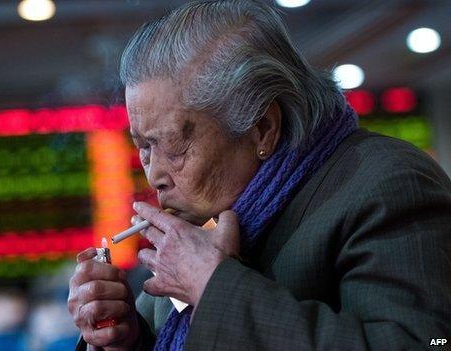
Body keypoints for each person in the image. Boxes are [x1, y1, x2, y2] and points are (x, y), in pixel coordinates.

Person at [68, 1, 451, 350]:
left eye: (174, 147)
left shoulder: (388, 183)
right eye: (144, 147)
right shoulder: (201, 223)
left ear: (263, 127)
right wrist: (125, 341)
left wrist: (214, 287)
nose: (154, 176)